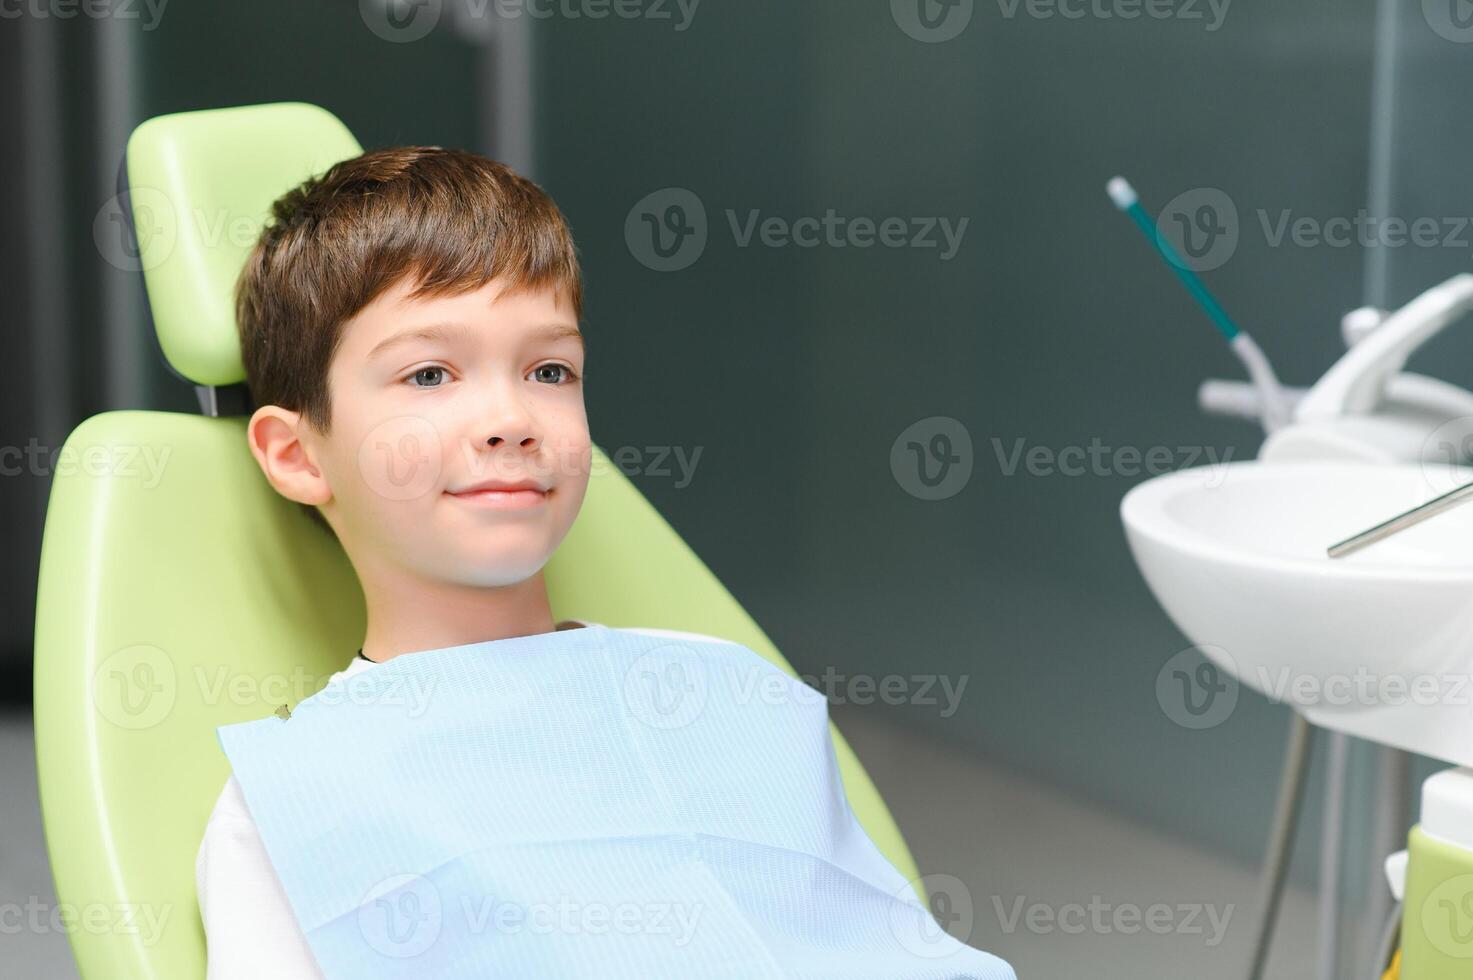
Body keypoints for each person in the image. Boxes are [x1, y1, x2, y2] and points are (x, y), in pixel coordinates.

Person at [195, 145, 1015, 979]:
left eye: (549, 369)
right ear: (298, 456)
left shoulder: (734, 697)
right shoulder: (289, 805)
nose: (510, 417)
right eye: (429, 373)